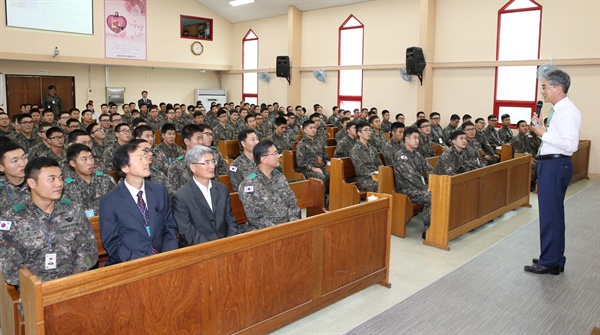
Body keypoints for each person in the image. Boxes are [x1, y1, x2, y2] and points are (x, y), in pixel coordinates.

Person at [0, 157, 98, 287]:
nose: (59, 184)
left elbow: (88, 249)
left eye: (60, 178)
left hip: (75, 284)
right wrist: (47, 285)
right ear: (32, 183)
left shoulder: (73, 210)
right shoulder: (13, 219)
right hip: (36, 291)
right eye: (51, 179)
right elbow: (10, 268)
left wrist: (72, 280)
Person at [525, 69, 581, 275]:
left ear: (558, 88)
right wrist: (542, 129)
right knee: (552, 214)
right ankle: (553, 257)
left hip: (556, 165)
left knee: (550, 215)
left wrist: (543, 134)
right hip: (551, 164)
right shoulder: (559, 110)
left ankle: (549, 261)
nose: (543, 92)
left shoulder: (568, 112)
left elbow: (570, 145)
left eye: (545, 87)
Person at [99, 142, 178, 265]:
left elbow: (170, 226)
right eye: (140, 159)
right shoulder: (109, 201)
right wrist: (137, 261)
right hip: (130, 263)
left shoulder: (159, 191)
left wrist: (167, 255)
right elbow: (112, 242)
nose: (146, 162)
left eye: (145, 157)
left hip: (163, 258)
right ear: (125, 168)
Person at [172, 145, 238, 246]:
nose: (212, 166)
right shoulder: (181, 196)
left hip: (225, 245)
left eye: (213, 161)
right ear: (193, 167)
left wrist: (230, 243)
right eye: (206, 163)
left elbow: (230, 220)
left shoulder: (222, 189)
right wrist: (212, 248)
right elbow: (187, 231)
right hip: (199, 249)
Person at [238, 140, 301, 232]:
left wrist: (292, 222)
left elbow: (292, 203)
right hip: (266, 231)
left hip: (287, 226)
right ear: (263, 159)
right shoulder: (249, 184)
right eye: (274, 153)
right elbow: (254, 217)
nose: (278, 156)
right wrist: (277, 229)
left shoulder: (280, 177)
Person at [393, 127, 433, 239]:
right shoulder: (401, 155)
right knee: (430, 196)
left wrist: (434, 182)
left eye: (418, 138)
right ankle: (428, 228)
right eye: (414, 138)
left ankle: (438, 225)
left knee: (438, 192)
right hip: (406, 189)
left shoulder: (417, 154)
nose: (417, 141)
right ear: (406, 139)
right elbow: (411, 176)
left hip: (418, 187)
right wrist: (426, 187)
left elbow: (429, 168)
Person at [63, 144, 115, 217]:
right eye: (84, 159)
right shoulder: (67, 186)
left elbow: (118, 202)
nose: (90, 162)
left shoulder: (105, 179)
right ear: (72, 163)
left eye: (91, 158)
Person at [168, 124, 203, 192]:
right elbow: (174, 193)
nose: (201, 142)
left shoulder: (207, 161)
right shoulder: (176, 165)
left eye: (202, 138)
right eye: (198, 139)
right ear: (186, 141)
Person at [349, 122, 382, 192]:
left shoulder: (372, 148)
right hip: (364, 179)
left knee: (391, 181)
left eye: (370, 130)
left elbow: (379, 164)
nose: (369, 132)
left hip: (376, 176)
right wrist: (374, 175)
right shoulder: (355, 150)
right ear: (359, 133)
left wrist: (382, 173)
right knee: (381, 184)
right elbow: (360, 170)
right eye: (366, 130)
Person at [296, 120, 330, 187]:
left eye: (314, 128)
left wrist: (328, 164)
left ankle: (330, 194)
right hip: (308, 169)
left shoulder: (319, 142)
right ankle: (321, 195)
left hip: (321, 166)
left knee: (333, 173)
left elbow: (325, 156)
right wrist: (313, 168)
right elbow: (300, 162)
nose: (313, 130)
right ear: (304, 130)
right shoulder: (301, 144)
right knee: (321, 176)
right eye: (311, 128)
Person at [0, 141, 29, 212]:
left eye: (24, 158)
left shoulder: (39, 182)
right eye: (15, 161)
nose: (22, 164)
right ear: (1, 167)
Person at [511, 120, 538, 190]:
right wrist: (530, 158)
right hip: (520, 160)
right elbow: (519, 154)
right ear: (518, 128)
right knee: (535, 165)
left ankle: (536, 184)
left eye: (526, 126)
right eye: (523, 126)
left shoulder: (527, 137)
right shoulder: (517, 139)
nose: (525, 128)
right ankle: (529, 185)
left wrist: (532, 157)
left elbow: (529, 150)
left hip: (528, 157)